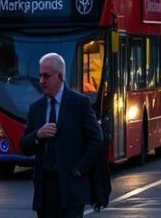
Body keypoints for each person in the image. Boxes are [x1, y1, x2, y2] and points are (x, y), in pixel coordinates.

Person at [21, 52, 102, 218]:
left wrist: (80, 169)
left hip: (71, 186)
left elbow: (96, 139)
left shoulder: (78, 103)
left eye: (46, 76)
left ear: (59, 76)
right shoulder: (36, 108)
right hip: (45, 189)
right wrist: (38, 135)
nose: (41, 81)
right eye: (40, 75)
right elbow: (24, 145)